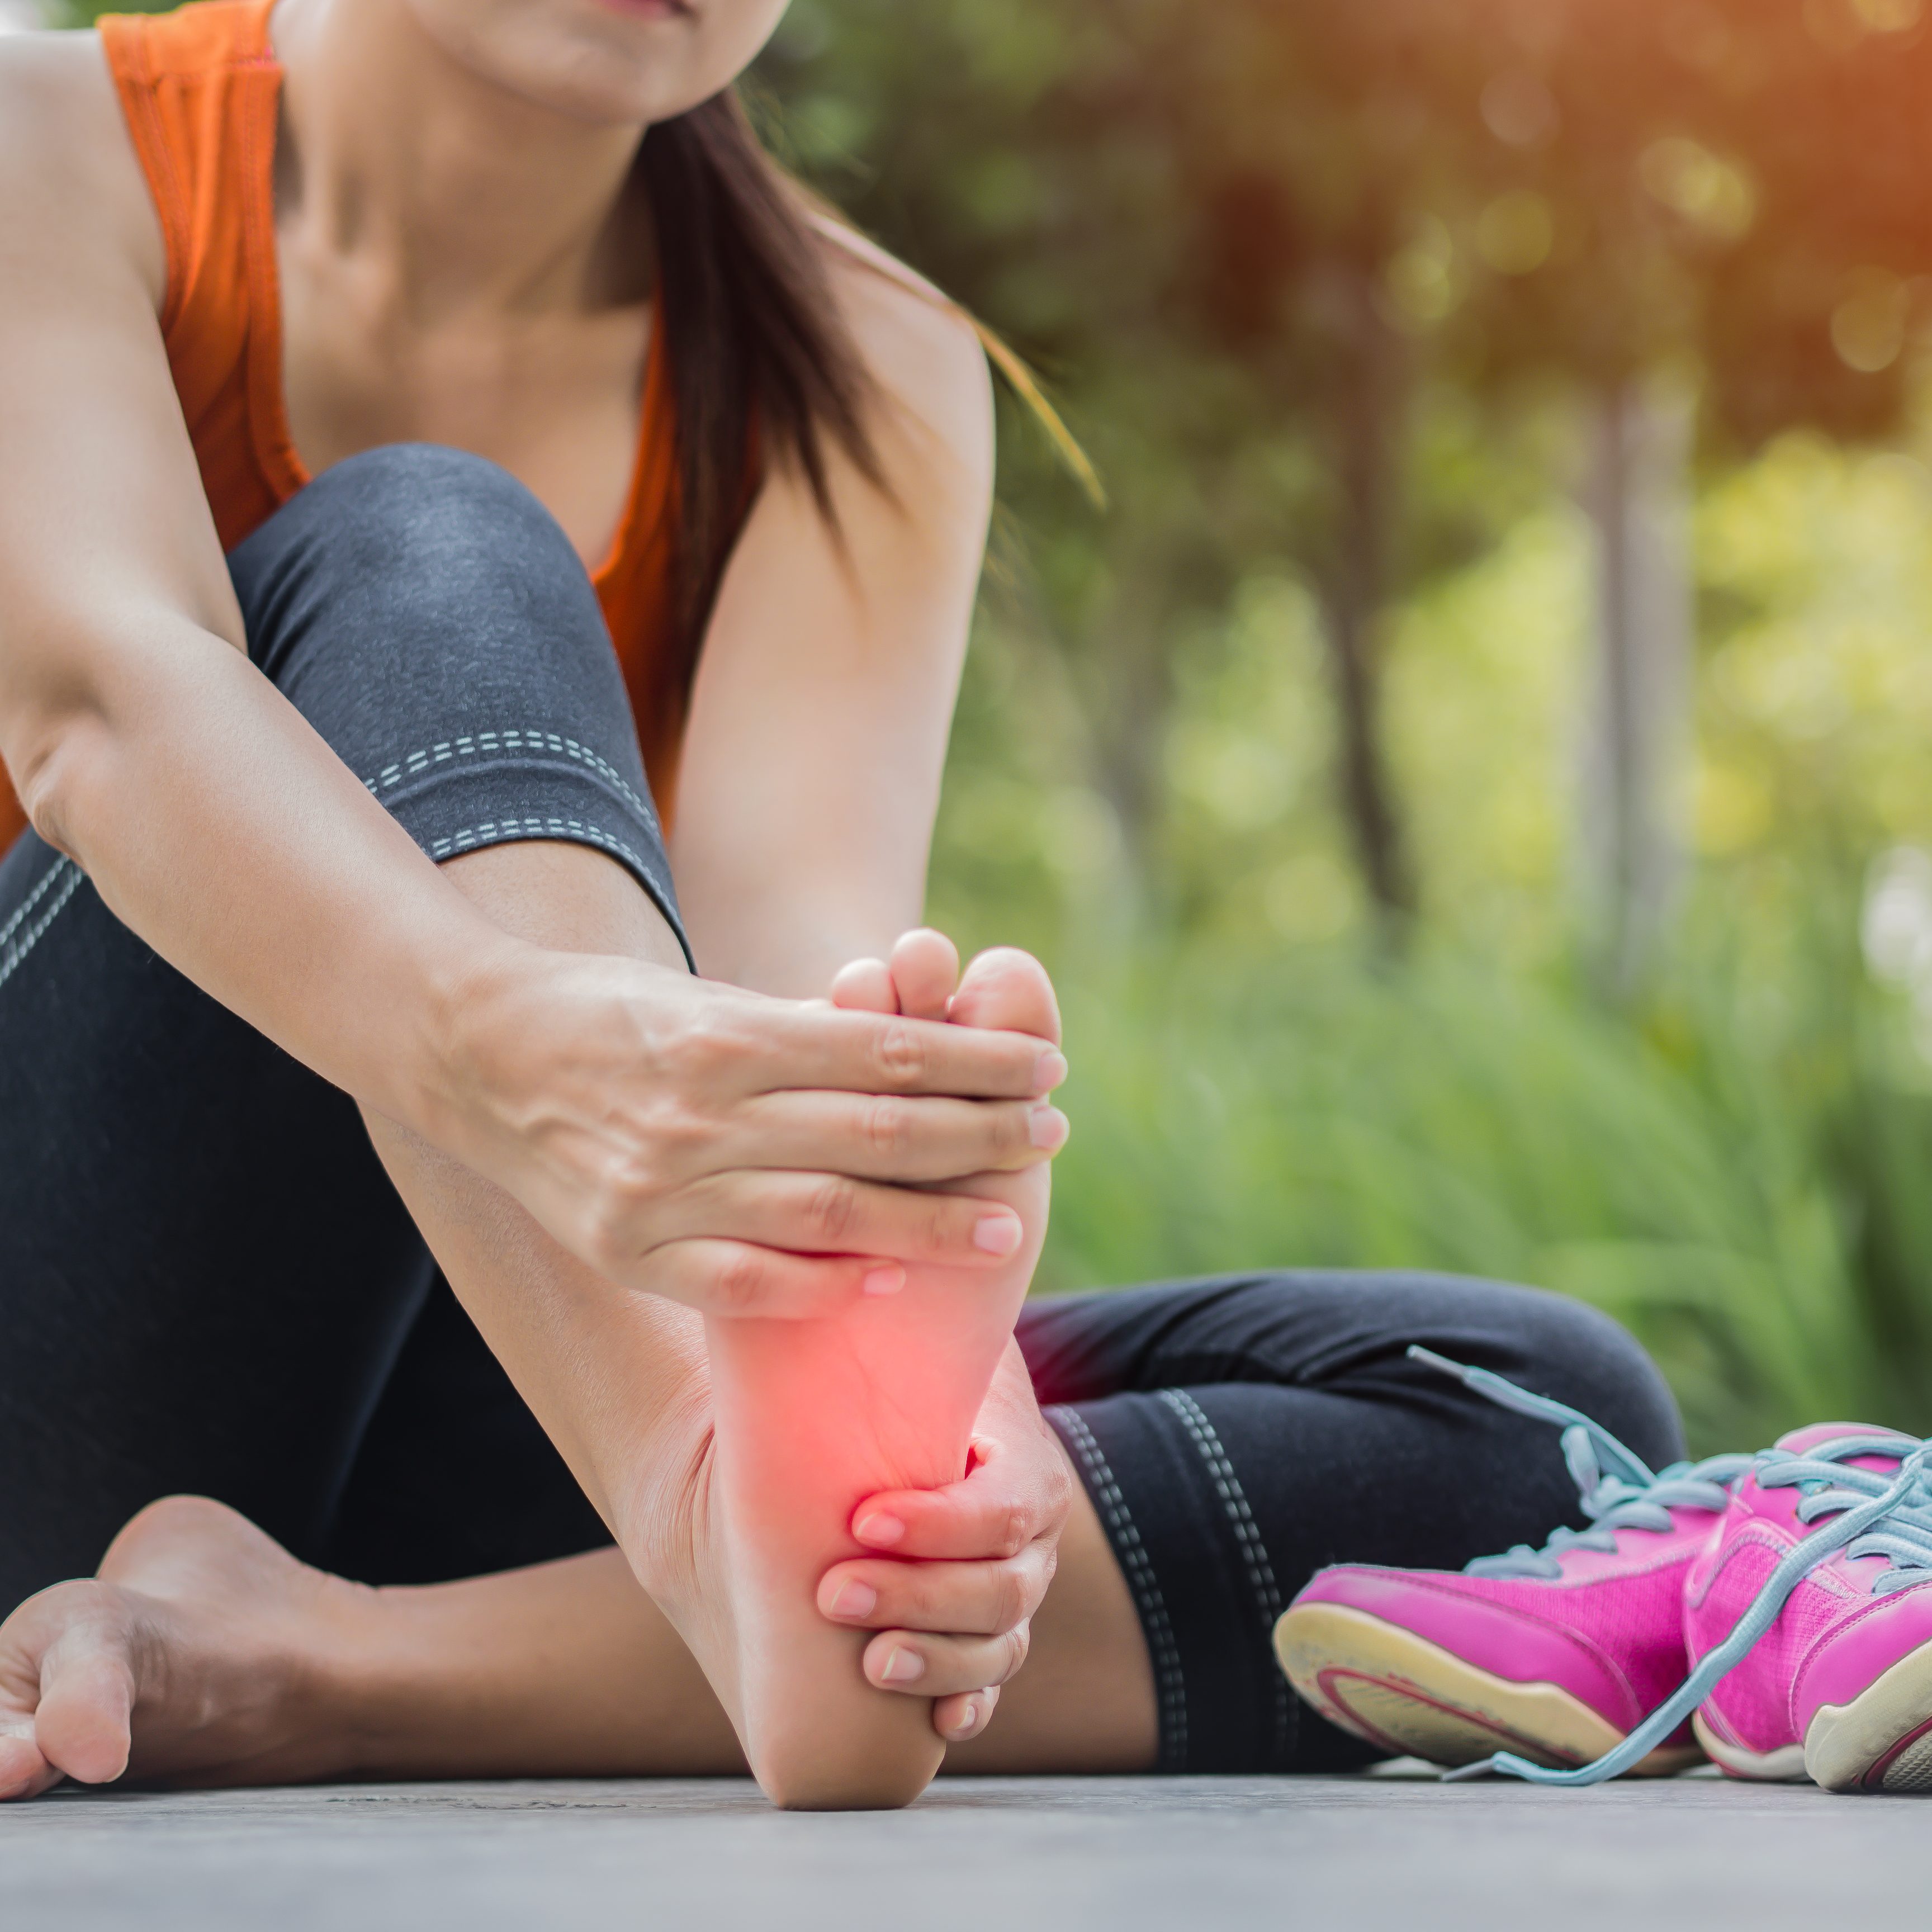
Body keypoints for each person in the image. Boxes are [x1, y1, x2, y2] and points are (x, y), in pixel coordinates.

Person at [0, 0, 1688, 1807]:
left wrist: (932, 1442)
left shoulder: (863, 356)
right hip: (85, 1335)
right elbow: (100, 699)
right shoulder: (45, 139)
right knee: (428, 552)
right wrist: (511, 1047)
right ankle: (703, 1518)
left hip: (486, 1423)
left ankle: (302, 1665)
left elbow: (801, 980)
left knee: (1532, 1427)